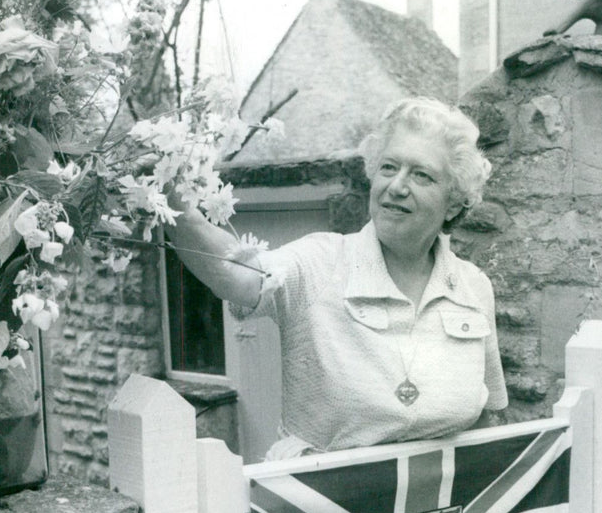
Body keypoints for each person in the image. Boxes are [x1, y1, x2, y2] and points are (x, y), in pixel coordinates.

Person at [167, 96, 507, 458]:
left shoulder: (474, 288)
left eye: (421, 175)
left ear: (454, 202)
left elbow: (490, 417)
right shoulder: (319, 263)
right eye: (389, 167)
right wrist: (175, 204)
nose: (397, 186)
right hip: (323, 507)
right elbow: (236, 273)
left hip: (439, 508)